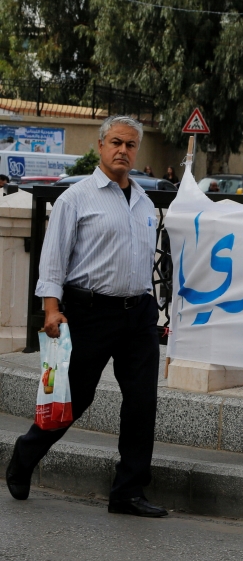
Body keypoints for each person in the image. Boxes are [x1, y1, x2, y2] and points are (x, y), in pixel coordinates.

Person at [5, 115, 167, 518]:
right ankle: (25, 456)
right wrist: (51, 308)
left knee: (142, 403)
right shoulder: (75, 198)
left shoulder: (146, 203)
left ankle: (127, 492)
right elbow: (54, 258)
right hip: (89, 312)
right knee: (73, 399)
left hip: (139, 313)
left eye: (130, 145)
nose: (123, 151)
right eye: (116, 142)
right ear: (100, 145)